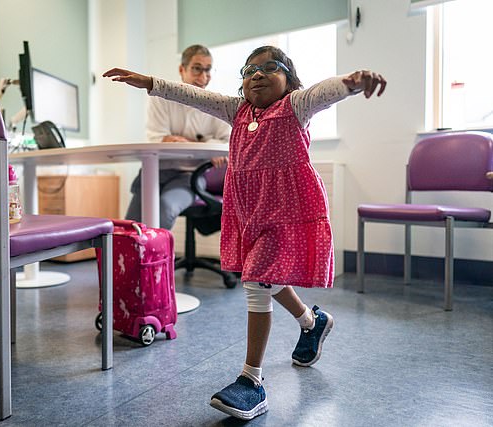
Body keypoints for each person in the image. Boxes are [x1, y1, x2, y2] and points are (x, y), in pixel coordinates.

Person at [105, 45, 386, 420]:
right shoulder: (235, 111)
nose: (258, 74)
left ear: (289, 79)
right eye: (250, 69)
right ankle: (311, 321)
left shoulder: (295, 106)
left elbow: (326, 91)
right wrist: (150, 83)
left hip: (287, 211)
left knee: (255, 282)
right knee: (262, 276)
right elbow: (192, 94)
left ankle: (251, 381)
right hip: (249, 212)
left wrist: (353, 82)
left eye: (271, 67)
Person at [124, 44, 231, 230]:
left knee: (164, 208)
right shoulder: (160, 98)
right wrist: (203, 146)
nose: (203, 76)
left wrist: (184, 142)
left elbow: (227, 143)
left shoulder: (217, 104)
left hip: (190, 176)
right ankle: (130, 260)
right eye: (197, 68)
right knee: (130, 226)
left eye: (207, 69)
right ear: (182, 70)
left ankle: (157, 259)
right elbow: (158, 139)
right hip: (155, 172)